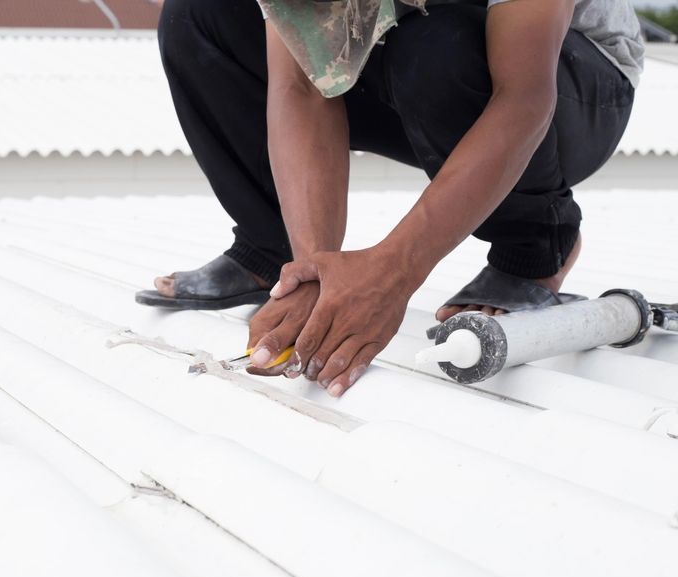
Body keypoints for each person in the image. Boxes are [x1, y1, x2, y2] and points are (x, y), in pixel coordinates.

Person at [137, 0, 644, 396]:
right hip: (415, 67)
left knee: (433, 48)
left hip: (571, 82)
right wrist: (314, 269)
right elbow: (303, 87)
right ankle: (275, 254)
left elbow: (524, 98)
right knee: (203, 15)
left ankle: (534, 243)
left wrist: (393, 272)